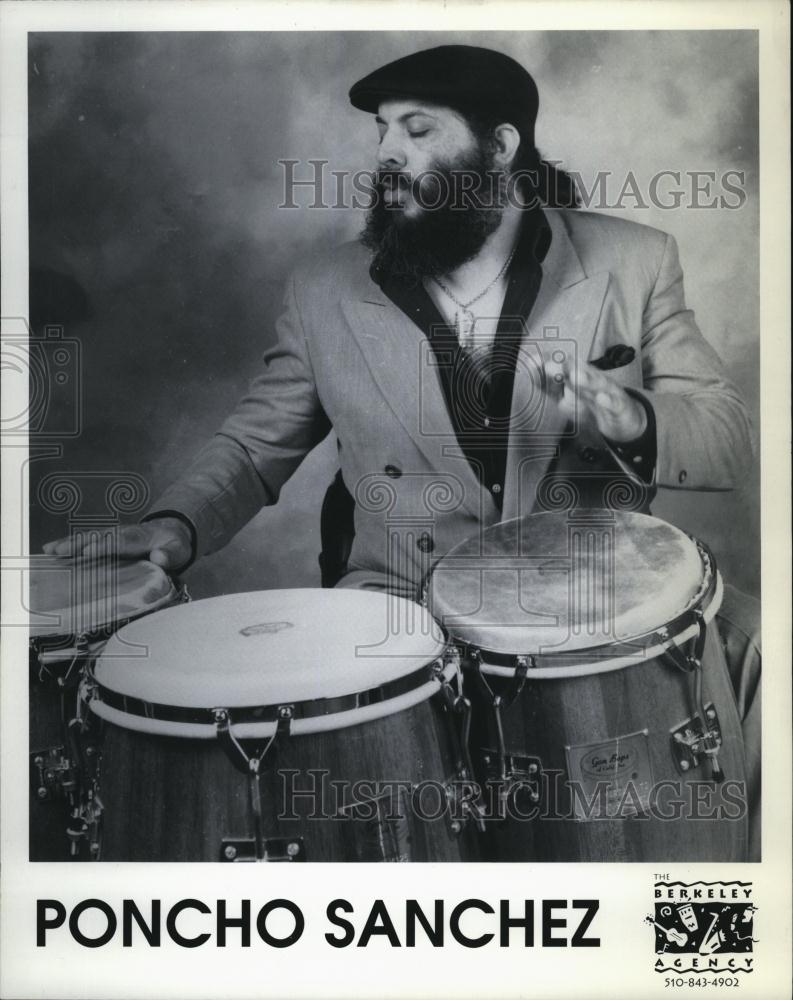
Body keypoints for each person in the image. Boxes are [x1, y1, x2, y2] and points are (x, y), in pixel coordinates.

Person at [43, 44, 760, 857]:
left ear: (498, 148)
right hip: (398, 603)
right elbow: (253, 444)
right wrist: (176, 527)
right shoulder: (324, 288)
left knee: (763, 644)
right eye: (384, 131)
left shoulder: (632, 258)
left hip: (591, 605)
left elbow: (728, 440)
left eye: (418, 131)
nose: (387, 152)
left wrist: (628, 417)